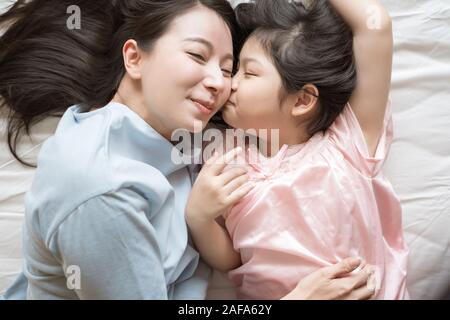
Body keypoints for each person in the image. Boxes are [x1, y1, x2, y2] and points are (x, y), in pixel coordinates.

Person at [1, 0, 375, 300]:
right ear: (134, 58)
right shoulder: (101, 189)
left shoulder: (181, 137)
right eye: (198, 56)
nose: (219, 83)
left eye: (229, 70)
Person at [186, 0, 409, 299]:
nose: (230, 83)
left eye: (248, 73)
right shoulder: (225, 158)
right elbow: (233, 260)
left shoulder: (347, 145)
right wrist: (200, 218)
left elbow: (375, 26)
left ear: (302, 101)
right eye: (235, 70)